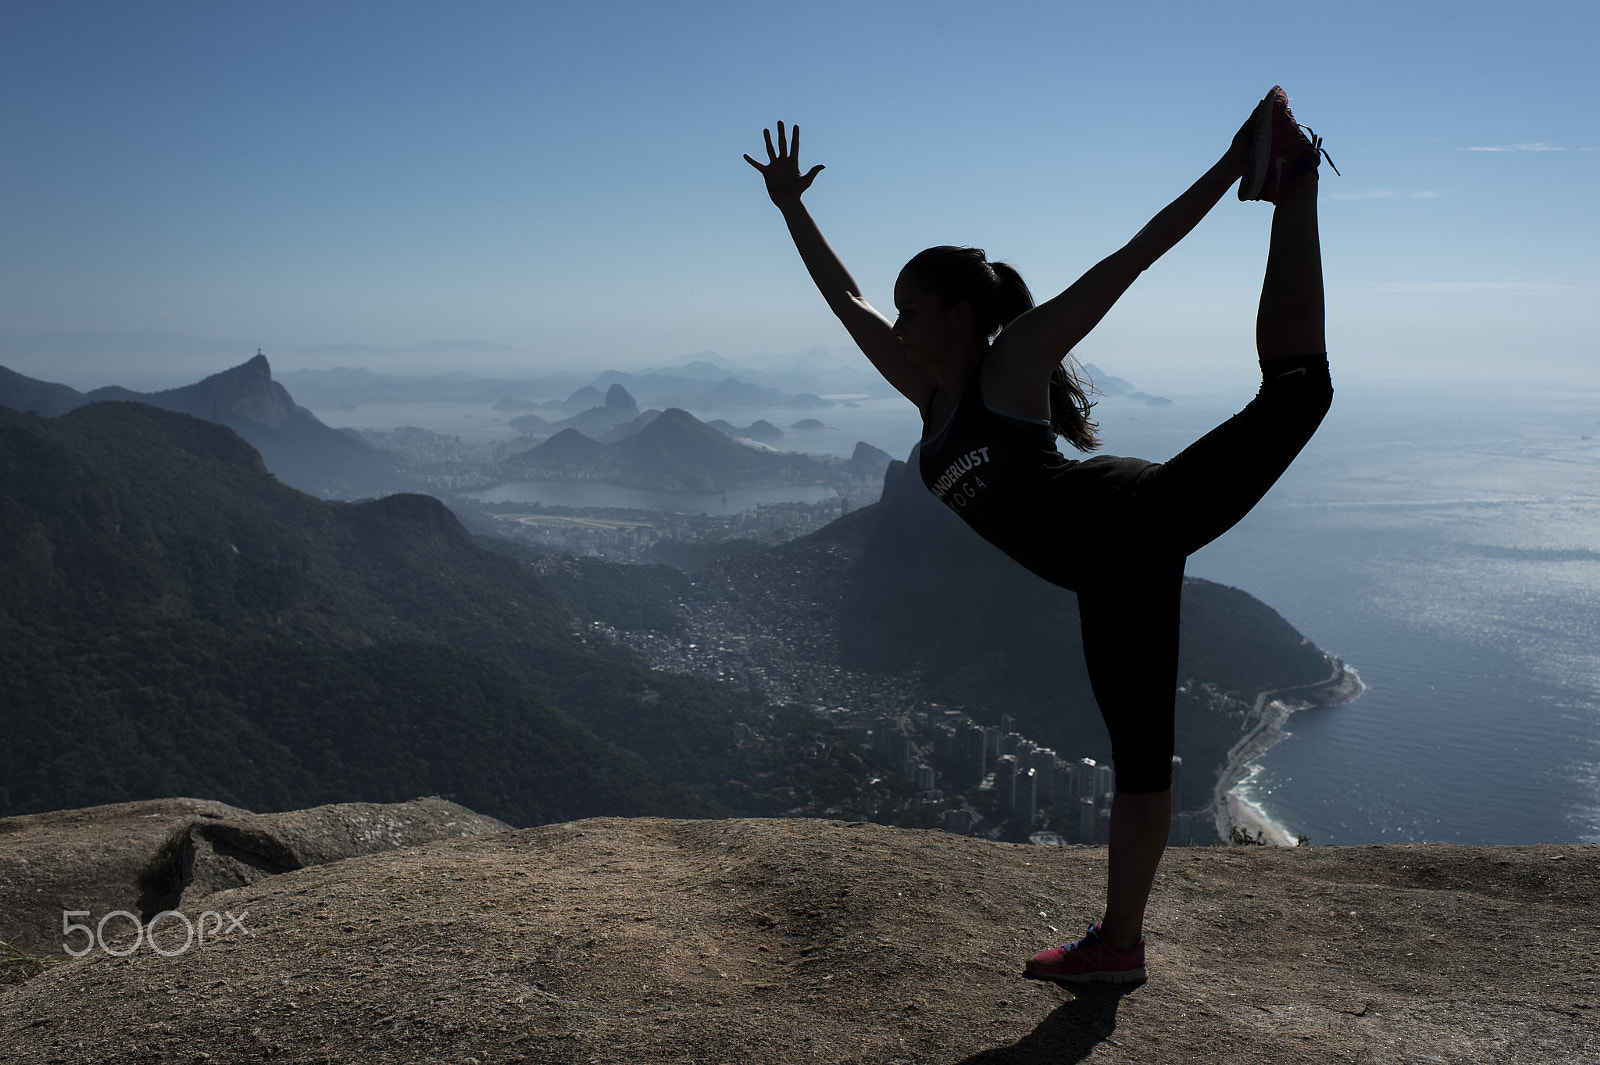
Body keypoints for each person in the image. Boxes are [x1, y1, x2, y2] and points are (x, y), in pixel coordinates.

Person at [745, 86, 1336, 985]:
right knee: (1139, 764)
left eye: (915, 310)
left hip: (1139, 515)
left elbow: (1130, 258)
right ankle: (1121, 946)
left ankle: (1292, 175)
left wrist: (1231, 166)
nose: (898, 326)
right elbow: (847, 302)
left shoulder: (1011, 361)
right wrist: (795, 209)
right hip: (1106, 576)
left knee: (1299, 392)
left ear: (958, 316)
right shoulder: (931, 397)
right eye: (899, 313)